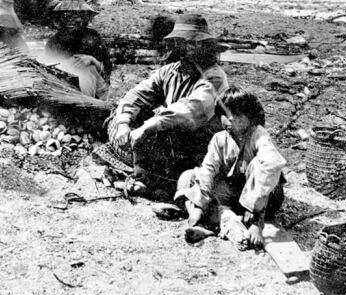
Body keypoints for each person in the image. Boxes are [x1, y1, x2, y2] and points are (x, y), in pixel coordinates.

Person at [107, 13, 228, 197]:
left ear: (206, 46)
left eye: (196, 43)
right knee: (124, 117)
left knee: (156, 127)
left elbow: (191, 110)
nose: (190, 48)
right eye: (184, 42)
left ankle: (162, 182)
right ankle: (146, 177)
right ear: (176, 44)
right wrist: (124, 123)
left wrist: (148, 127)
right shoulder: (169, 71)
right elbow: (136, 95)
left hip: (200, 143)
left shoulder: (214, 76)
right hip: (174, 138)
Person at [175, 88, 286, 250]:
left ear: (251, 118)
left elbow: (272, 164)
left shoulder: (258, 134)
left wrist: (256, 218)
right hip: (233, 194)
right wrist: (199, 204)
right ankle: (202, 220)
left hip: (262, 199)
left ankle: (242, 221)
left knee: (258, 164)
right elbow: (208, 170)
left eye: (238, 115)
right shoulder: (219, 139)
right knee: (189, 177)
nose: (230, 120)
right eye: (225, 115)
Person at [41, 0, 112, 100]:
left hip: (96, 88)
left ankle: (89, 106)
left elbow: (107, 70)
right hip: (65, 87)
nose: (71, 20)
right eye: (66, 16)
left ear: (84, 18)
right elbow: (48, 68)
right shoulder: (54, 41)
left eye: (76, 16)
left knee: (88, 70)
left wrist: (92, 60)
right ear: (60, 19)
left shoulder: (92, 37)